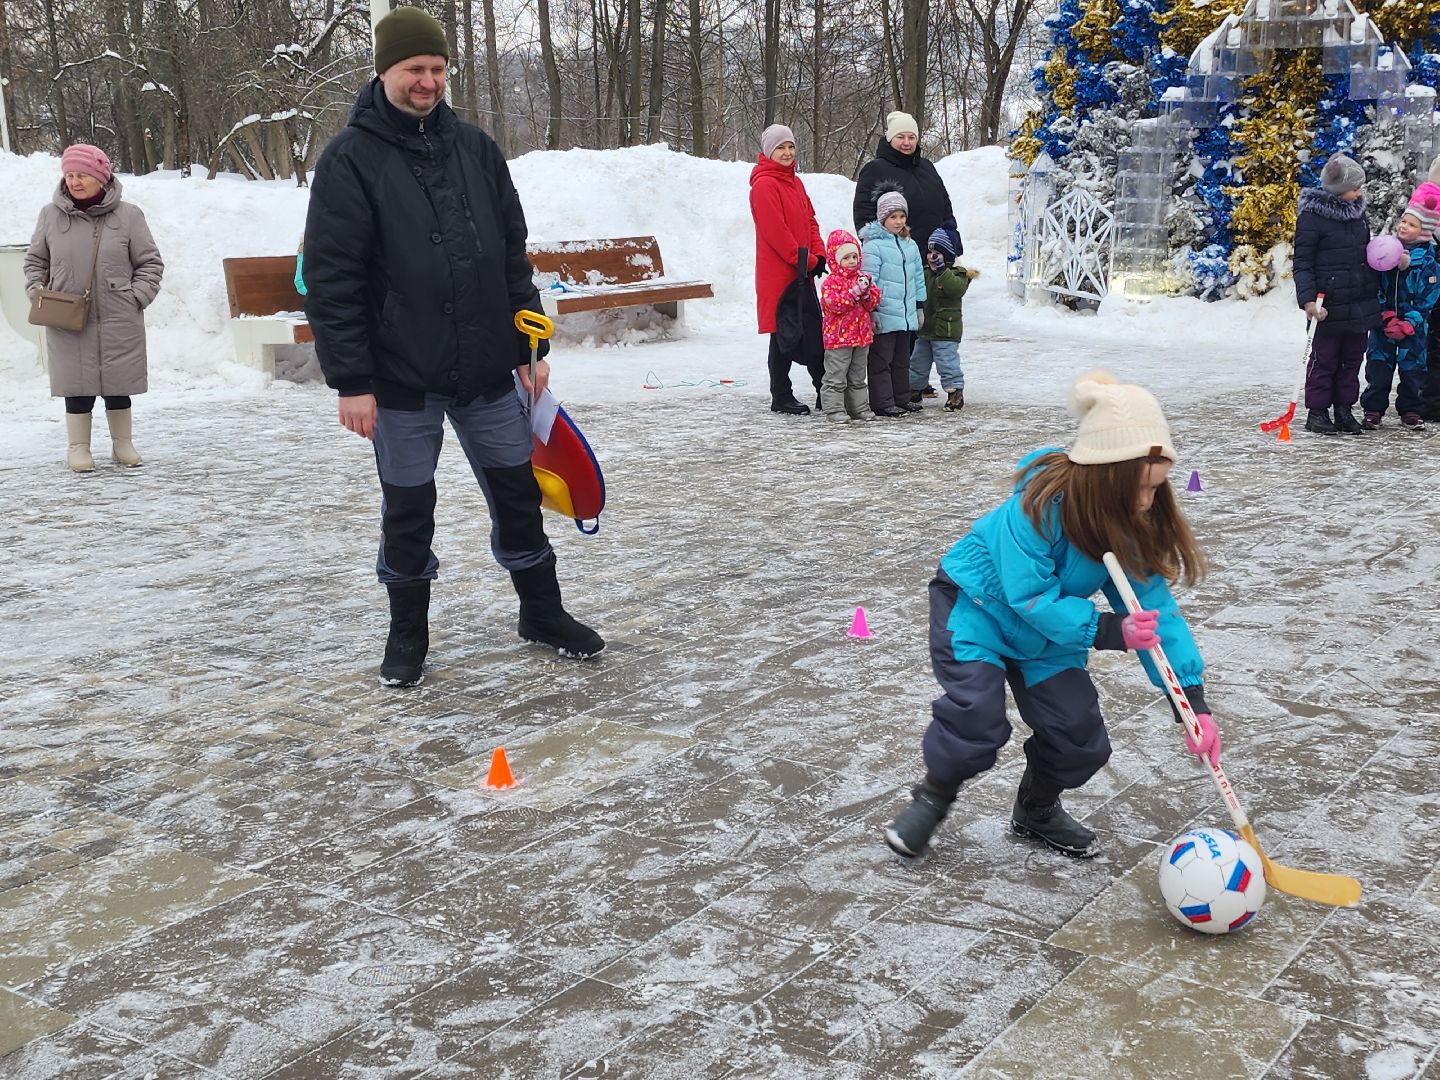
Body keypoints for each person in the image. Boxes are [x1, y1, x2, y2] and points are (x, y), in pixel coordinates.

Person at [302, 5, 603, 688]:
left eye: (438, 69)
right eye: (415, 68)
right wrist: (352, 381)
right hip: (400, 377)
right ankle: (407, 630)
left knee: (517, 495)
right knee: (409, 511)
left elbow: (510, 255)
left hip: (488, 366)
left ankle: (542, 612)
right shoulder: (349, 159)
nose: (429, 81)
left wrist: (530, 344)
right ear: (384, 71)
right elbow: (332, 278)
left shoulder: (475, 148)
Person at [884, 372, 1217, 860]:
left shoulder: (1127, 524)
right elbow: (1029, 597)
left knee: (1080, 738)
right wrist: (1107, 630)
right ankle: (934, 795)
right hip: (979, 612)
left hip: (1048, 638)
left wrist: (1190, 703)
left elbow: (1154, 612)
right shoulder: (1037, 507)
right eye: (1139, 487)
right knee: (977, 718)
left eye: (1156, 487)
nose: (1147, 501)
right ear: (1103, 474)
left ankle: (1036, 809)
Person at [24, 143, 164, 472]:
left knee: (119, 383)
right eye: (69, 175)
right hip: (67, 315)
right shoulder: (50, 215)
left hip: (118, 314)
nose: (74, 181)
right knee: (76, 384)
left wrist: (136, 297)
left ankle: (122, 444)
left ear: (101, 178)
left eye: (82, 175)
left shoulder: (129, 215)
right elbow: (35, 262)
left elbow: (150, 263)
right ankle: (78, 447)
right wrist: (38, 292)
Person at [1292, 152, 1381, 436]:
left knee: (1352, 360)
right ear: (1339, 189)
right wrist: (1308, 301)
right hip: (1326, 303)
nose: (1359, 193)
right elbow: (1303, 262)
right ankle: (1317, 412)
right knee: (1324, 360)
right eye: (1355, 188)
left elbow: (1365, 254)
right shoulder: (1312, 217)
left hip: (1359, 300)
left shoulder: (1358, 214)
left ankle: (1344, 409)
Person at [750, 123, 827, 415]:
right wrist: (807, 260)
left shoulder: (796, 182)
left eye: (790, 146)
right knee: (783, 333)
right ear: (768, 151)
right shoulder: (764, 186)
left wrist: (819, 254)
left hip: (802, 271)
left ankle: (825, 390)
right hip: (780, 274)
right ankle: (781, 394)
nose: (787, 152)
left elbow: (810, 221)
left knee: (813, 329)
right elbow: (777, 234)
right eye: (780, 147)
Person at [1360, 197, 1440, 430]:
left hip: (1413, 329)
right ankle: (1373, 409)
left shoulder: (1428, 262)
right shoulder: (1385, 251)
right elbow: (1373, 287)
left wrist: (1410, 322)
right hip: (1383, 326)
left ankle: (1411, 410)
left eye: (1411, 225)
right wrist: (1385, 316)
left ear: (1424, 232)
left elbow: (1429, 295)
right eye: (1403, 221)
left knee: (1413, 370)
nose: (1404, 226)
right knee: (1378, 367)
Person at [853, 111, 957, 257]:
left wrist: (949, 235)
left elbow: (945, 207)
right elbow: (864, 216)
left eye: (911, 137)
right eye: (900, 137)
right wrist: (885, 250)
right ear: (890, 138)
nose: (907, 143)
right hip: (898, 259)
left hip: (935, 256)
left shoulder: (927, 167)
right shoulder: (875, 169)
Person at [860, 187, 926, 417]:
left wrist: (919, 306)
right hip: (885, 313)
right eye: (893, 217)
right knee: (881, 360)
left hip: (906, 314)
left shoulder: (910, 244)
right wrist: (873, 311)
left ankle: (902, 398)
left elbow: (918, 277)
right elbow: (868, 281)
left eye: (902, 216)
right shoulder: (873, 246)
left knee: (902, 360)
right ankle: (882, 401)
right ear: (882, 218)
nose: (898, 222)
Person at [909, 224, 978, 412]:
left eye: (937, 253)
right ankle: (913, 389)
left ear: (947, 256)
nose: (932, 257)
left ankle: (955, 392)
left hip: (946, 331)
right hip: (925, 330)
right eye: (930, 252)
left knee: (947, 363)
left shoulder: (958, 274)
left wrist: (942, 271)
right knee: (917, 362)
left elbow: (955, 290)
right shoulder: (924, 273)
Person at [818, 228, 882, 423]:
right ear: (836, 260)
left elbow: (873, 303)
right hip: (838, 339)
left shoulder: (862, 278)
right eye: (846, 258)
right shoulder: (831, 282)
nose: (852, 261)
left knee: (857, 376)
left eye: (855, 256)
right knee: (836, 376)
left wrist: (867, 294)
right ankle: (834, 409)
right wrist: (853, 294)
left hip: (861, 337)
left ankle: (859, 408)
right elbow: (833, 305)